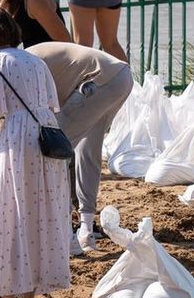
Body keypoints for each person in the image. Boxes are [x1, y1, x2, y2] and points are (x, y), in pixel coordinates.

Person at [0, 8, 71, 298]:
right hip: (46, 136)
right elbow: (51, 104)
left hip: (18, 142)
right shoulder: (37, 62)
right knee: (41, 217)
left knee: (10, 218)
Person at [26, 42, 132, 252]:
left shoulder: (21, 67)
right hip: (121, 76)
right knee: (88, 150)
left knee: (55, 153)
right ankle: (85, 230)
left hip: (97, 82)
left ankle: (65, 233)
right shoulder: (26, 57)